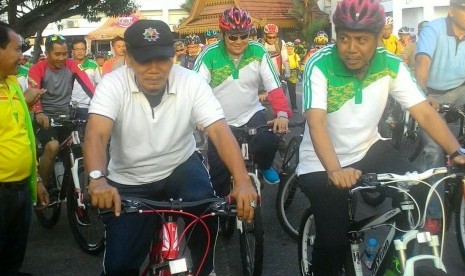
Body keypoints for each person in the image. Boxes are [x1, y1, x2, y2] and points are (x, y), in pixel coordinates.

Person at [296, 0, 465, 274]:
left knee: (419, 193)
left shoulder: (390, 64)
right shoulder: (320, 63)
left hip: (369, 149)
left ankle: (393, 260)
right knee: (334, 241)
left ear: (377, 38)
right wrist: (335, 169)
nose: (351, 49)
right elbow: (316, 123)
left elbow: (424, 113)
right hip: (320, 162)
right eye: (344, 38)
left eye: (361, 39)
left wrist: (457, 151)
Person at [84, 19, 257, 276]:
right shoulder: (112, 84)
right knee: (119, 267)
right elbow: (96, 135)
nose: (154, 69)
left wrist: (242, 180)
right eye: (144, 60)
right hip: (130, 178)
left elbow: (220, 131)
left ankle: (205, 270)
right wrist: (97, 179)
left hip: (180, 166)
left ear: (173, 56)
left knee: (205, 207)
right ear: (129, 58)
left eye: (162, 59)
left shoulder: (191, 82)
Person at [194, 7, 292, 191]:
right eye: (232, 36)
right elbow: (195, 89)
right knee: (218, 178)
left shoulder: (258, 50)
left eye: (244, 35)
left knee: (269, 141)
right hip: (218, 121)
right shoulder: (209, 54)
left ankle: (264, 166)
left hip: (251, 113)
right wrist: (198, 117)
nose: (239, 41)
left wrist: (282, 114)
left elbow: (273, 86)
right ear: (223, 35)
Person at [0, 21, 49, 275]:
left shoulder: (12, 85)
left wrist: (37, 178)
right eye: (18, 49)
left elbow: (24, 136)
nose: (23, 56)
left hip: (19, 189)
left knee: (13, 255)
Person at [414, 0, 465, 233]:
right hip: (432, 92)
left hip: (460, 90)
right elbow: (422, 65)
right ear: (451, 10)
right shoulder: (432, 30)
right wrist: (424, 95)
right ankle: (432, 214)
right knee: (433, 150)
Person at [28, 34, 95, 193]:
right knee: (52, 147)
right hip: (44, 117)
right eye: (57, 54)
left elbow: (89, 87)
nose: (62, 58)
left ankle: (74, 186)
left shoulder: (71, 65)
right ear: (48, 53)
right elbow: (34, 92)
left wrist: (102, 107)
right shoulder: (37, 68)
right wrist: (38, 112)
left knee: (80, 147)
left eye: (65, 54)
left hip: (66, 116)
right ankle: (41, 189)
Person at [71, 38, 101, 120]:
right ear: (72, 51)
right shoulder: (68, 65)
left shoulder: (93, 64)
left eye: (82, 49)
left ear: (86, 50)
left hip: (88, 106)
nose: (80, 51)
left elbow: (98, 84)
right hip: (70, 106)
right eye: (77, 49)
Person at [285, 41, 302, 112]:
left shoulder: (295, 55)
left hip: (292, 76)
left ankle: (294, 107)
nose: (289, 50)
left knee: (292, 92)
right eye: (287, 48)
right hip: (283, 75)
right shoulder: (283, 55)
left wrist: (299, 74)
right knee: (282, 93)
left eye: (290, 48)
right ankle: (282, 108)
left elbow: (298, 65)